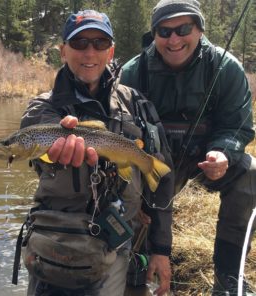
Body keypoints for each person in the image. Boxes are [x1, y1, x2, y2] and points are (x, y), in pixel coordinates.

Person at [16, 9, 173, 296]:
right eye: (79, 43)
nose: (90, 52)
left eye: (100, 44)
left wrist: (161, 249)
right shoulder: (42, 108)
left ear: (111, 51)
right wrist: (55, 150)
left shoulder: (136, 104)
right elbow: (40, 147)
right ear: (63, 51)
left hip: (120, 239)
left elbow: (162, 177)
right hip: (59, 243)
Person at [121, 0, 256, 295]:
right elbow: (120, 131)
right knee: (122, 181)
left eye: (183, 29)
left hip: (204, 164)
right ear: (154, 33)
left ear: (200, 29)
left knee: (250, 173)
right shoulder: (133, 72)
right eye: (164, 31)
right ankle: (136, 264)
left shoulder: (226, 68)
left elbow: (238, 125)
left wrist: (224, 151)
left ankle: (228, 275)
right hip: (151, 166)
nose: (174, 39)